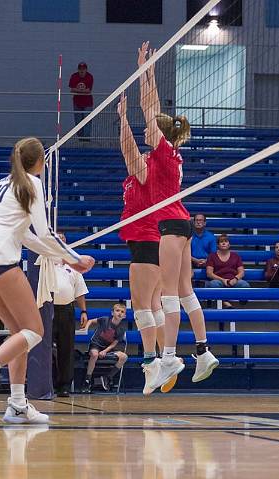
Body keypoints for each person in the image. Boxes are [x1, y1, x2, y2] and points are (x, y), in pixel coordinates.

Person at [0, 136, 95, 423]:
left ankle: (18, 404)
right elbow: (45, 235)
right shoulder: (32, 183)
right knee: (34, 331)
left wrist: (68, 258)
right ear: (40, 162)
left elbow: (28, 237)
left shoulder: (3, 184)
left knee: (19, 333)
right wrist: (74, 259)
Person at [137, 42, 218, 389]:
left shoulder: (164, 149)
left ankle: (169, 356)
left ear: (161, 133)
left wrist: (147, 71)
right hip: (180, 221)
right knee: (185, 292)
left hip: (171, 224)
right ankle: (203, 351)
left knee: (169, 293)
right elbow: (152, 113)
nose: (146, 133)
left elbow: (149, 108)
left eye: (151, 130)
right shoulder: (167, 155)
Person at [117, 91, 172, 395]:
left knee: (141, 307)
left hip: (146, 241)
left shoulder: (148, 171)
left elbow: (128, 150)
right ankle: (168, 357)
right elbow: (153, 112)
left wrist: (123, 119)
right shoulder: (158, 167)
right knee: (153, 305)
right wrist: (147, 77)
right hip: (154, 242)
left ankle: (153, 363)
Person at [51, 234, 89, 398]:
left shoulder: (73, 266)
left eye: (63, 240)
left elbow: (79, 291)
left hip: (67, 310)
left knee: (66, 349)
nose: (61, 242)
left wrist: (84, 311)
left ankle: (64, 386)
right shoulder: (45, 261)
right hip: (48, 310)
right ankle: (45, 382)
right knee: (44, 349)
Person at [81, 303, 129, 393]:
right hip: (96, 345)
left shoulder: (121, 329)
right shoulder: (105, 320)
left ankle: (107, 378)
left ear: (124, 316)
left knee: (124, 357)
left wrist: (105, 351)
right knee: (94, 355)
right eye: (117, 310)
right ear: (112, 312)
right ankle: (87, 380)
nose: (120, 313)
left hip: (107, 349)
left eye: (122, 312)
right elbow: (91, 321)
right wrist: (86, 328)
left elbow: (114, 343)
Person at [68, 62, 94, 139]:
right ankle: (80, 138)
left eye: (83, 69)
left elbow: (88, 90)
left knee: (87, 121)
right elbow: (72, 89)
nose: (82, 71)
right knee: (78, 121)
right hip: (77, 102)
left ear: (86, 70)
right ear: (78, 70)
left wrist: (78, 90)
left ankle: (86, 139)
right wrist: (82, 90)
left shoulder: (89, 77)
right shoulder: (74, 76)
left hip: (87, 103)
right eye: (80, 69)